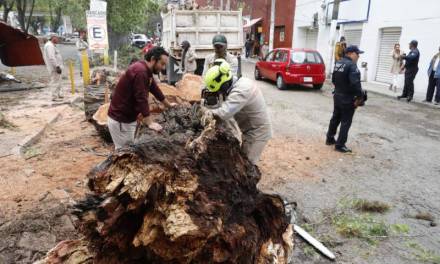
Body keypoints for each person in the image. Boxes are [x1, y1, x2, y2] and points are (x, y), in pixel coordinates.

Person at [203, 59, 272, 164]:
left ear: (224, 84)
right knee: (242, 160)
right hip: (249, 130)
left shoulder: (242, 90)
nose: (219, 93)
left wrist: (206, 113)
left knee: (247, 165)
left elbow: (224, 113)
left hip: (257, 133)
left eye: (219, 90)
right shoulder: (237, 83)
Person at [107, 47, 177, 150]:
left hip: (127, 119)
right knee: (124, 154)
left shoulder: (145, 70)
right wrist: (150, 122)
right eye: (162, 64)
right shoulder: (141, 72)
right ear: (153, 59)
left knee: (129, 150)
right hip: (121, 120)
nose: (163, 68)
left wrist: (169, 105)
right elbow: (141, 98)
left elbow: (155, 90)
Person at [326, 45, 365, 153]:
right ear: (351, 53)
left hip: (337, 95)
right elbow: (355, 83)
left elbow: (333, 79)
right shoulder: (352, 66)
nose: (358, 57)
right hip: (347, 97)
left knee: (335, 118)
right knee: (345, 121)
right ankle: (340, 145)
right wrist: (360, 97)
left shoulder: (338, 63)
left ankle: (329, 138)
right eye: (357, 54)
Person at [43, 34, 64, 101]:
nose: (58, 39)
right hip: (54, 67)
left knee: (58, 81)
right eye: (56, 38)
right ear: (53, 38)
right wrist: (57, 66)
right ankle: (54, 97)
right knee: (55, 82)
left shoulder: (51, 45)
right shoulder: (49, 46)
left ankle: (59, 94)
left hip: (56, 67)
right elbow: (51, 58)